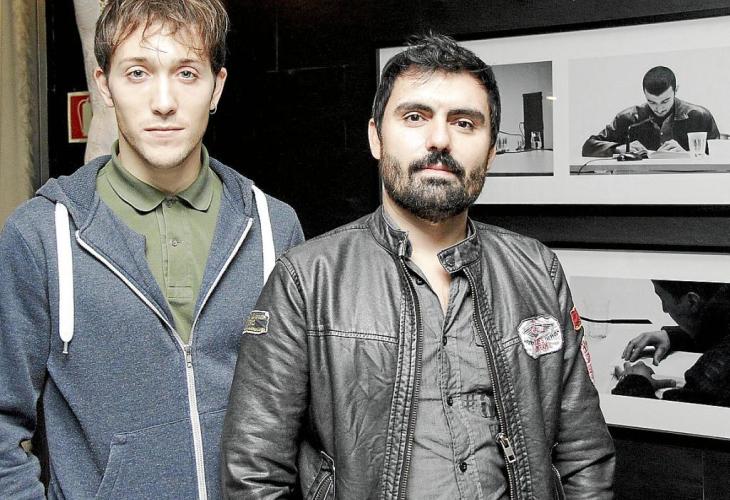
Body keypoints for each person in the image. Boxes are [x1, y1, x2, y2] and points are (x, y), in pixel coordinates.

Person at [221, 33, 615, 499]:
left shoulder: (536, 269)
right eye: (415, 117)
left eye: (464, 123)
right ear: (376, 137)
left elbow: (585, 454)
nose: (440, 139)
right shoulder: (306, 279)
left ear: (491, 150)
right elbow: (254, 473)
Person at [0, 1, 304, 498]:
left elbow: (304, 414)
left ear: (216, 87)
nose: (164, 102)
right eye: (138, 73)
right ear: (105, 86)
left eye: (186, 73)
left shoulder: (275, 227)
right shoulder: (40, 235)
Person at [614, 281, 730, 407]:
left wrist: (634, 383)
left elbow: (664, 416)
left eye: (663, 299)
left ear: (692, 302)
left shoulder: (711, 379)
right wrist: (674, 336)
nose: (664, 309)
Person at [582, 66, 719, 157]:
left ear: (676, 90)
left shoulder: (700, 116)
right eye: (652, 102)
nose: (659, 108)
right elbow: (588, 146)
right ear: (644, 93)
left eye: (665, 101)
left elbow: (721, 157)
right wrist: (617, 149)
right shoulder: (628, 118)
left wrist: (687, 155)